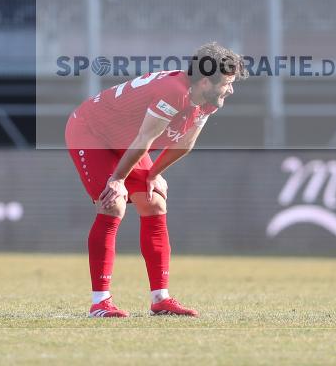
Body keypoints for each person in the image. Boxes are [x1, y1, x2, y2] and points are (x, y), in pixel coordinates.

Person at [65, 42, 247, 317]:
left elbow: (184, 144)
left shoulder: (207, 101)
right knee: (113, 204)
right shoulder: (173, 93)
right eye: (227, 83)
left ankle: (160, 299)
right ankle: (100, 302)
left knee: (154, 203)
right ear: (207, 81)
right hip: (92, 132)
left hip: (126, 141)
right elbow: (145, 139)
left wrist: (153, 174)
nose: (230, 89)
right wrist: (117, 180)